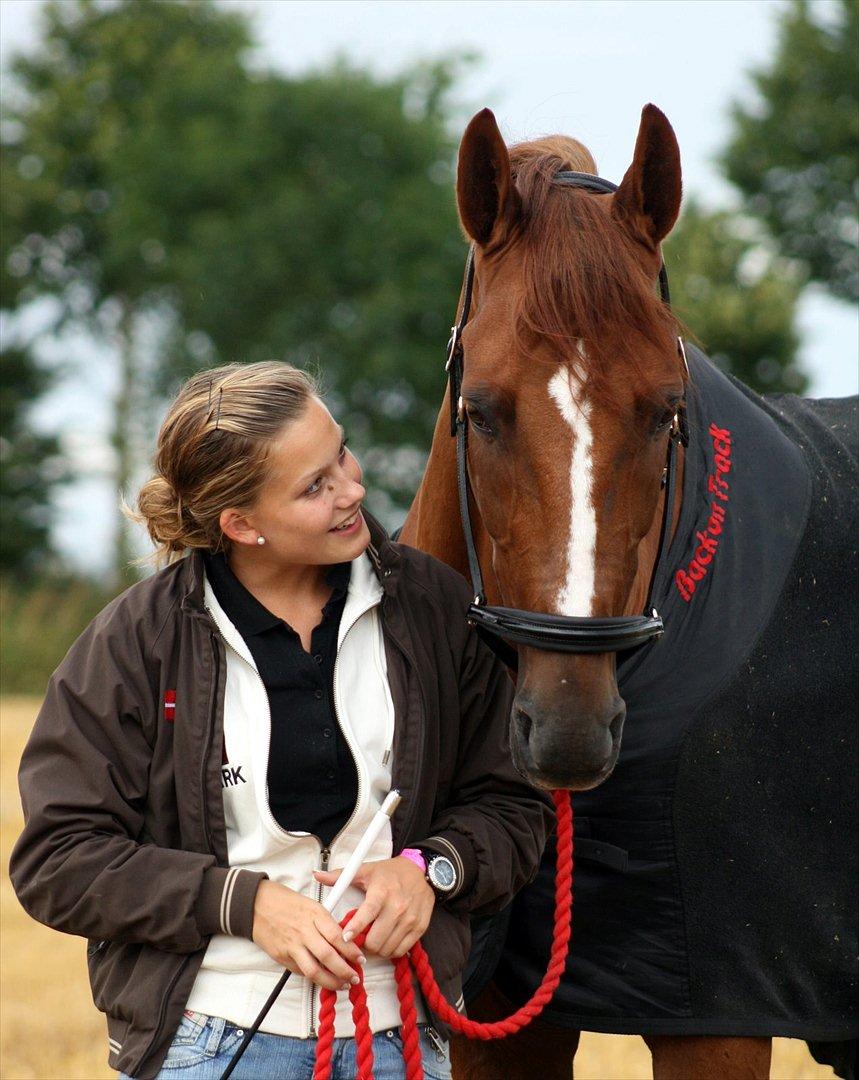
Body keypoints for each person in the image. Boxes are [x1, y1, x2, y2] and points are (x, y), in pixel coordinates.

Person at [10, 361, 552, 1080]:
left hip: (400, 1040)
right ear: (241, 525)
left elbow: (513, 804)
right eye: (314, 486)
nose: (353, 489)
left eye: (342, 454)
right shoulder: (135, 643)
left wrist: (432, 869)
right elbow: (59, 862)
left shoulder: (432, 607)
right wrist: (242, 903)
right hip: (212, 1042)